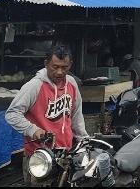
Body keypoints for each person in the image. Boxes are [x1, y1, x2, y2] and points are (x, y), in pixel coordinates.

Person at [6, 45, 89, 184]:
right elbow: (12, 114)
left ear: (70, 65)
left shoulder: (72, 84)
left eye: (64, 67)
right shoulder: (34, 86)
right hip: (39, 158)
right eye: (55, 67)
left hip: (66, 155)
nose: (59, 72)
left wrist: (84, 141)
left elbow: (76, 117)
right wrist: (33, 130)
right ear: (46, 64)